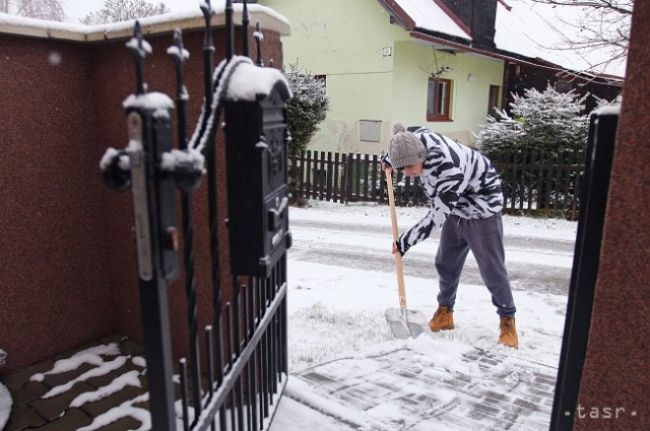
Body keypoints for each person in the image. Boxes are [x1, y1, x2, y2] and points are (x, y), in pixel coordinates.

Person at [382, 123, 518, 348]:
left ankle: (508, 320)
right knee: (445, 262)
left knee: (491, 268)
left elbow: (436, 219)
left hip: (482, 207)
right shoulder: (416, 141)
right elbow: (405, 136)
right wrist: (389, 159)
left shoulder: (449, 169)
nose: (407, 173)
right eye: (402, 168)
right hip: (455, 206)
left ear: (421, 155)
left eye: (409, 167)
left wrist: (404, 242)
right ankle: (445, 314)